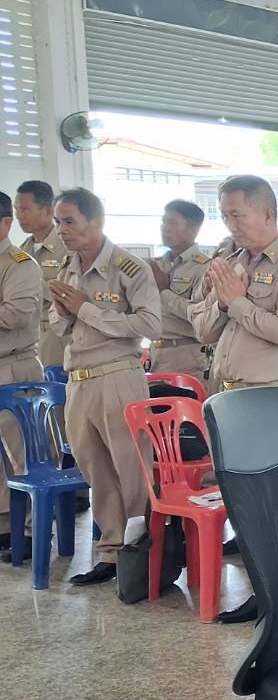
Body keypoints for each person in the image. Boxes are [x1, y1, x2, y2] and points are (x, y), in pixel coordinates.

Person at [47, 187, 160, 585]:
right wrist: (64, 313)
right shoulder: (68, 267)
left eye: (70, 221)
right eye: (59, 222)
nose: (62, 229)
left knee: (131, 470)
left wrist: (86, 309)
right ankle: (111, 554)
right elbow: (59, 325)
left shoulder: (128, 268)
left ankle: (144, 553)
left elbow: (150, 325)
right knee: (96, 471)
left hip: (118, 377)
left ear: (96, 221)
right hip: (78, 381)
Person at [190, 175, 278, 396]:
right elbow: (202, 331)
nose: (231, 226)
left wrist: (237, 303)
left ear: (267, 214)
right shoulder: (232, 264)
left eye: (238, 216)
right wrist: (222, 305)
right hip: (225, 390)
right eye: (224, 216)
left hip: (271, 393)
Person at [0, 190, 43, 553]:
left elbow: (14, 315)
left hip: (13, 368)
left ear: (4, 224)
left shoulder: (20, 264)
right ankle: (4, 527)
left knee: (24, 453)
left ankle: (30, 531)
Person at [147, 199, 211, 379]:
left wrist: (164, 291)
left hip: (187, 358)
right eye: (163, 222)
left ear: (193, 229)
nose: (164, 228)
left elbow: (201, 316)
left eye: (172, 223)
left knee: (187, 407)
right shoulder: (154, 266)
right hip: (155, 356)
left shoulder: (205, 268)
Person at [15, 180, 69, 368]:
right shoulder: (22, 250)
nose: (19, 216)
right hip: (28, 341)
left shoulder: (67, 247)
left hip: (59, 339)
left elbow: (71, 292)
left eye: (25, 210)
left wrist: (31, 284)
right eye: (17, 210)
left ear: (48, 210)